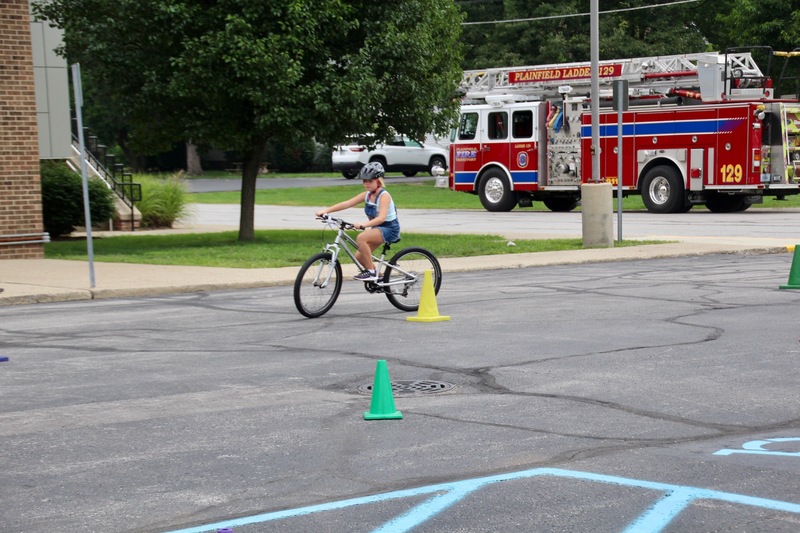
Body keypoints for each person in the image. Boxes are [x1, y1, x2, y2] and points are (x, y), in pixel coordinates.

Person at [315, 162, 400, 280]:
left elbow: (381, 218)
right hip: (377, 228)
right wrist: (326, 211)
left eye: (370, 181)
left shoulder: (384, 196)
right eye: (364, 181)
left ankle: (371, 272)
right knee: (360, 256)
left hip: (390, 228)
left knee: (361, 238)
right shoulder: (367, 195)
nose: (367, 184)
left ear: (378, 181)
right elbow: (347, 203)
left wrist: (363, 225)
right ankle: (380, 278)